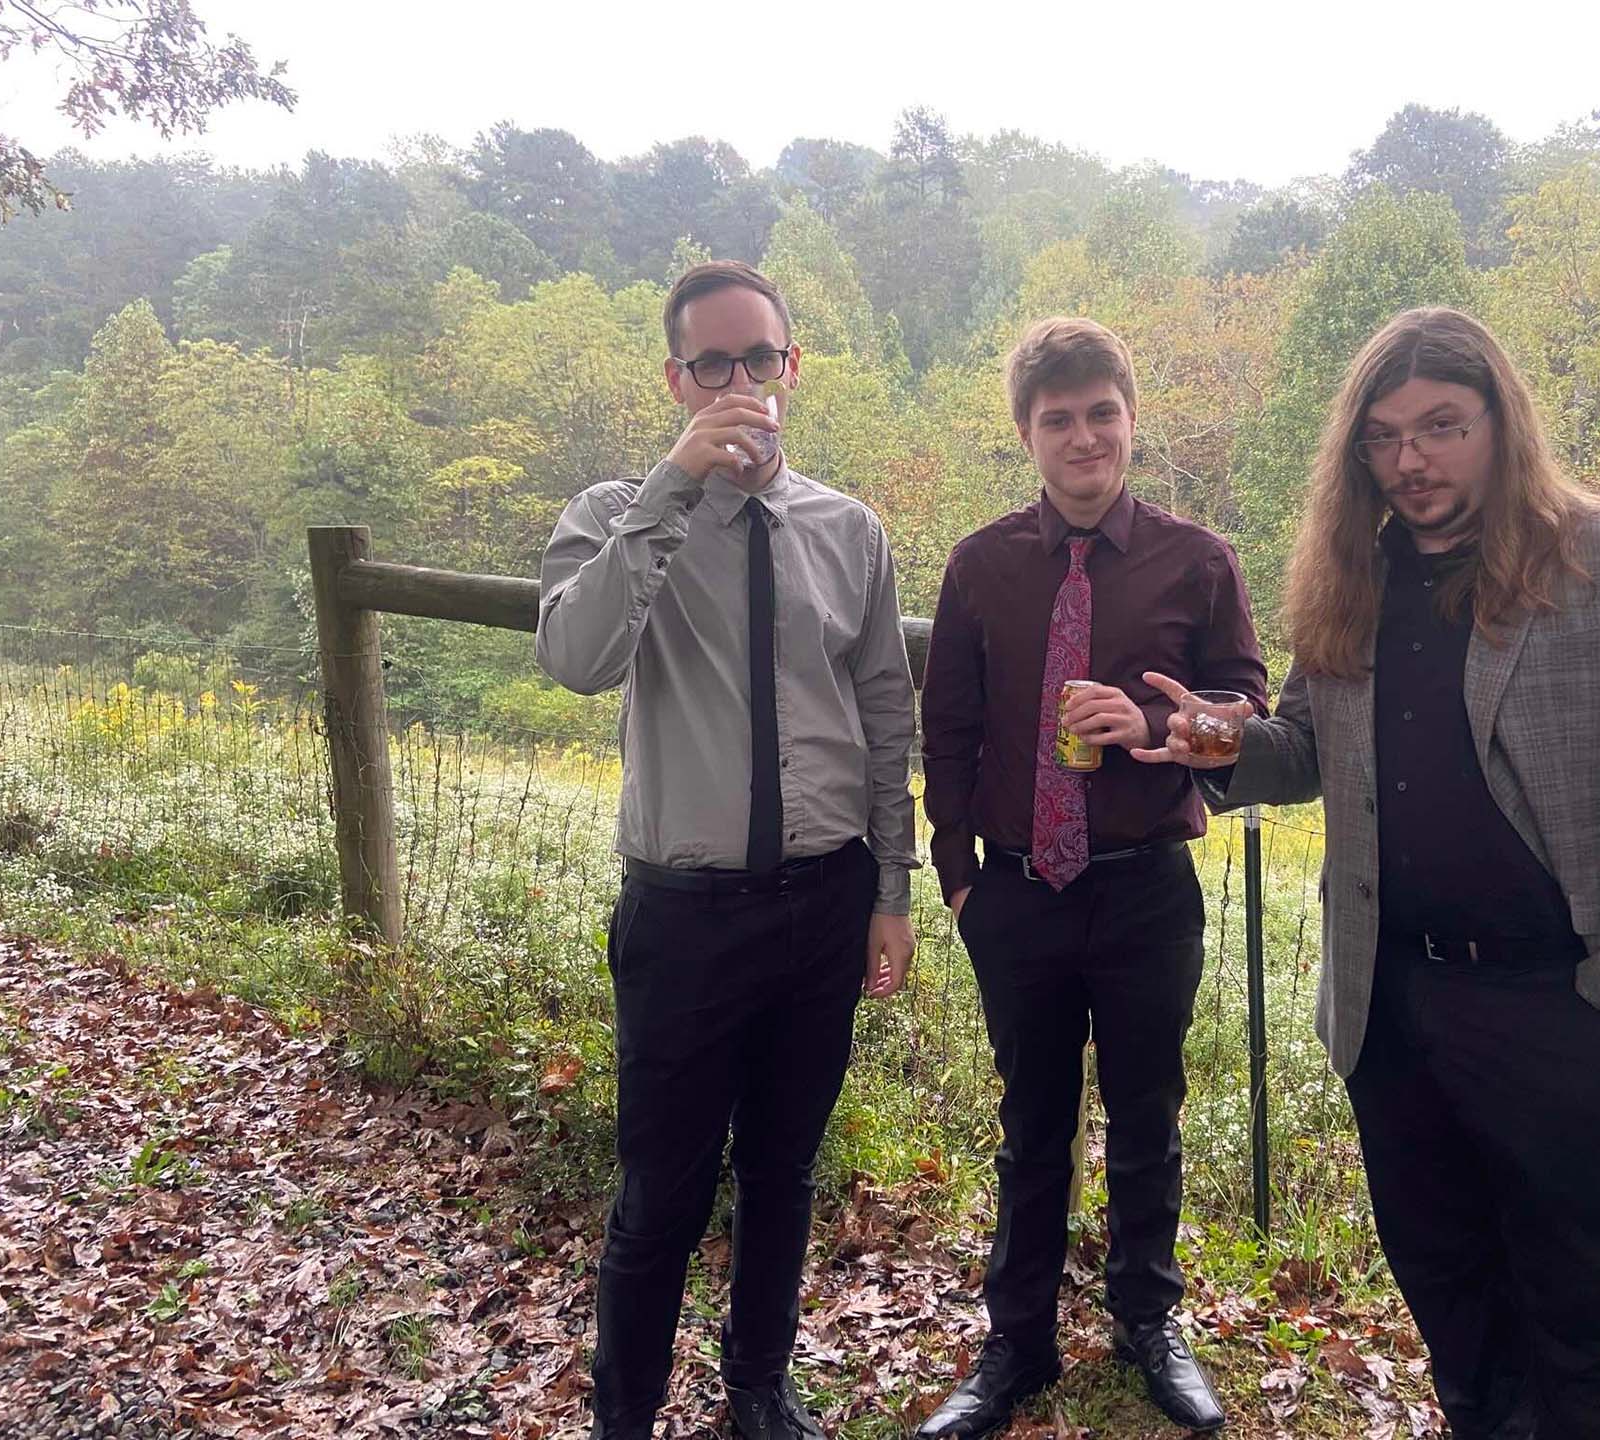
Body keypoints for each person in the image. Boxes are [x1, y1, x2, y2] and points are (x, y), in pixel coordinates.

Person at [1135, 306, 1600, 1440]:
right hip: (1399, 1014)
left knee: (1590, 1335)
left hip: (1570, 1014)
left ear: (1500, 422)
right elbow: (1312, 747)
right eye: (1383, 437)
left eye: (1440, 426)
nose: (1410, 460)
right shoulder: (1354, 578)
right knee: (1456, 1311)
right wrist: (1223, 743)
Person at [535, 260, 919, 1440]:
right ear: (676, 377)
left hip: (825, 897)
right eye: (714, 362)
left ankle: (757, 1382)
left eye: (760, 359)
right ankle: (628, 1412)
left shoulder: (847, 530)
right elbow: (577, 658)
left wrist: (892, 890)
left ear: (792, 369)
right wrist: (675, 487)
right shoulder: (612, 516)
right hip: (686, 914)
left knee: (785, 1170)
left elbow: (885, 713)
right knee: (660, 1191)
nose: (740, 382)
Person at [918, 317, 1266, 1436]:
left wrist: (1162, 720)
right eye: (1058, 420)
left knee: (1149, 1113)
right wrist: (961, 878)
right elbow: (950, 733)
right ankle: (1015, 1346)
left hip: (1143, 887)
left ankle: (1148, 1324)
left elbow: (1246, 713)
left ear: (1131, 417)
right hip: (1015, 894)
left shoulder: (1198, 561)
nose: (1084, 438)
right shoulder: (980, 566)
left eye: (1101, 414)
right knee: (1033, 1123)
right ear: (1027, 433)